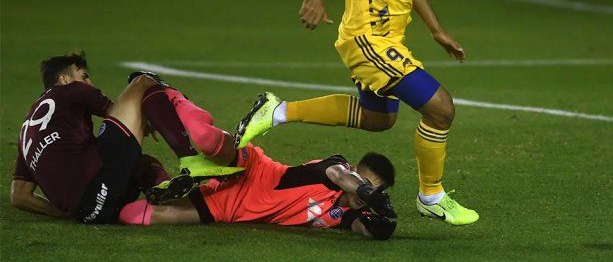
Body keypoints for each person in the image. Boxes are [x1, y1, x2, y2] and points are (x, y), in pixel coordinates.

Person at [239, 0, 478, 225]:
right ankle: (431, 196)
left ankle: (276, 111)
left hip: (388, 41)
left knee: (378, 118)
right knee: (441, 108)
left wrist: (436, 29)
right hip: (369, 41)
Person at [120, 95, 398, 241]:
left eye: (373, 189)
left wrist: (380, 230)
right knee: (206, 140)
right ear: (355, 169)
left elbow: (361, 227)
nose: (365, 192)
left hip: (232, 208)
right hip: (254, 170)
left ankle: (153, 173)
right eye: (365, 181)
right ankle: (174, 98)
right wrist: (369, 193)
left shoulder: (346, 215)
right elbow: (343, 177)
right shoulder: (333, 169)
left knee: (135, 215)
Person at [10, 51, 168, 223]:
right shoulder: (73, 90)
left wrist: (64, 214)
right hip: (102, 187)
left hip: (87, 213)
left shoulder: (26, 131)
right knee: (141, 82)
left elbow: (19, 196)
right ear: (64, 80)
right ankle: (181, 173)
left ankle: (166, 195)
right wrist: (152, 119)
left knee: (142, 164)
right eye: (84, 77)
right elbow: (121, 114)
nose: (90, 83)